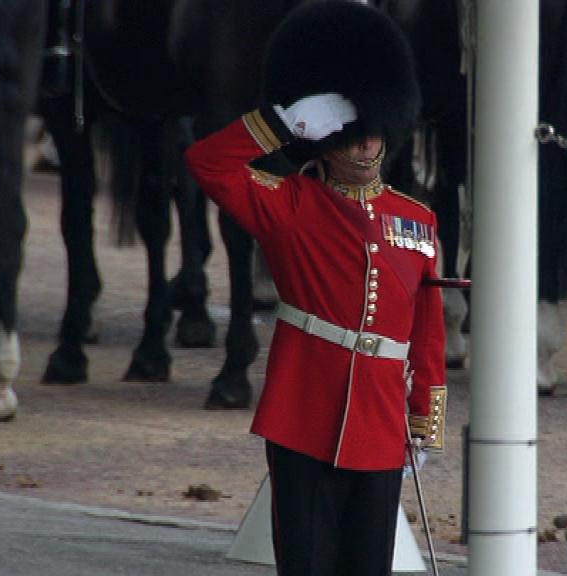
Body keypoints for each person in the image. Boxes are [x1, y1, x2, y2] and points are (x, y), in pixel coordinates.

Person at [184, 3, 446, 575]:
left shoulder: (416, 221)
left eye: (372, 132)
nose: (364, 147)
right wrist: (281, 123)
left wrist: (428, 421)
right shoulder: (290, 205)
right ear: (325, 138)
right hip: (301, 417)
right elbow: (206, 163)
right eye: (350, 135)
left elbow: (428, 334)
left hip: (379, 427)